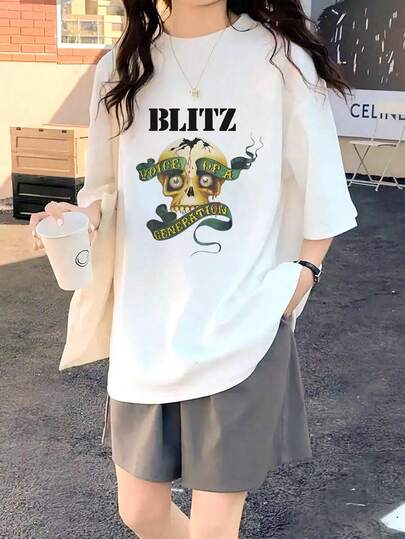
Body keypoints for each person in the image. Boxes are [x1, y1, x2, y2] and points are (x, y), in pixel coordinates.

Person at [29, 1, 358, 537]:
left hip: (241, 322)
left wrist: (305, 272)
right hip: (146, 329)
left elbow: (322, 182)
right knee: (139, 511)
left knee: (213, 530)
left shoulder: (279, 60)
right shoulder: (124, 62)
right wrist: (77, 219)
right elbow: (105, 186)